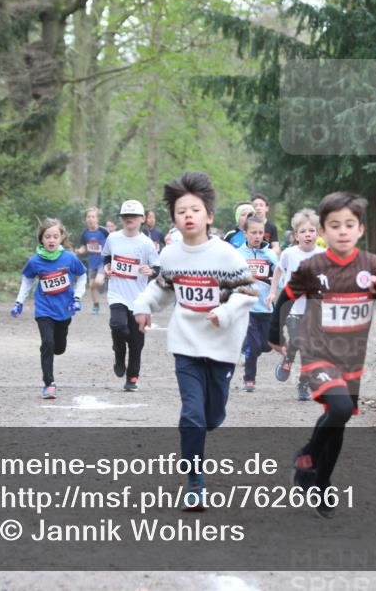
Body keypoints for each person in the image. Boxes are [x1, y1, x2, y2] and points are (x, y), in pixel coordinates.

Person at [269, 192, 376, 518]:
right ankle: (308, 456)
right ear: (323, 232)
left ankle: (320, 480)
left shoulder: (371, 265)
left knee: (339, 420)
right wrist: (274, 335)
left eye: (349, 225)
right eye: (334, 225)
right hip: (318, 352)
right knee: (340, 407)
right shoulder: (313, 266)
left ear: (360, 229)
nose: (342, 231)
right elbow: (284, 300)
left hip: (352, 357)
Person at [132, 172, 258, 509]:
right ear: (173, 218)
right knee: (191, 415)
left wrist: (226, 313)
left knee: (212, 416)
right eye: (181, 211)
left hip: (222, 345)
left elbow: (248, 293)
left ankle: (211, 420)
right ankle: (195, 482)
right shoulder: (171, 255)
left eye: (195, 209)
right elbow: (161, 289)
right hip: (185, 342)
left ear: (209, 216)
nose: (188, 215)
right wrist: (142, 305)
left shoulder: (225, 255)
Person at [11, 218, 87, 399]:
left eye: (55, 236)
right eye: (47, 237)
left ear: (61, 238)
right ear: (41, 239)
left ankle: (50, 349)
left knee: (59, 347)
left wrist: (77, 297)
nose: (51, 240)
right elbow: (27, 281)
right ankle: (49, 383)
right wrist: (18, 302)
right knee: (48, 343)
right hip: (44, 309)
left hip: (65, 309)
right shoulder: (35, 261)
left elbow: (82, 276)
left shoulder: (69, 258)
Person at [98, 200, 159, 392]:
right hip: (117, 293)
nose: (129, 219)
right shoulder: (113, 238)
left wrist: (151, 271)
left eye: (133, 216)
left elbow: (157, 267)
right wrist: (107, 268)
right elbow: (107, 256)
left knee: (136, 342)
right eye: (125, 216)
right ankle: (118, 353)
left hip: (139, 298)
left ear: (142, 219)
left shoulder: (147, 243)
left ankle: (132, 377)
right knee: (117, 325)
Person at [269, 208, 326, 401]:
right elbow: (278, 270)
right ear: (295, 235)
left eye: (311, 231)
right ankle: (288, 358)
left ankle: (303, 385)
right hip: (293, 309)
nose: (307, 235)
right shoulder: (289, 254)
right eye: (303, 231)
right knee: (299, 341)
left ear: (317, 233)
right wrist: (272, 291)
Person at [236, 215, 279, 392]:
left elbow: (280, 276)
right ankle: (249, 378)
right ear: (245, 233)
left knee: (267, 346)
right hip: (248, 308)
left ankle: (244, 344)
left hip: (267, 307)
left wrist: (275, 285)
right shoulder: (238, 254)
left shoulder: (270, 255)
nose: (257, 236)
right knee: (253, 347)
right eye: (253, 232)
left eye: (260, 232)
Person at [76, 207, 110, 314]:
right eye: (88, 217)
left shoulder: (104, 231)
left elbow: (113, 242)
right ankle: (96, 305)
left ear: (97, 219)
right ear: (86, 219)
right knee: (91, 286)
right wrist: (80, 251)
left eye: (93, 217)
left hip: (103, 261)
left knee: (98, 282)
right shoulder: (85, 233)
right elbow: (84, 246)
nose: (90, 219)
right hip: (92, 263)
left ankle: (104, 283)